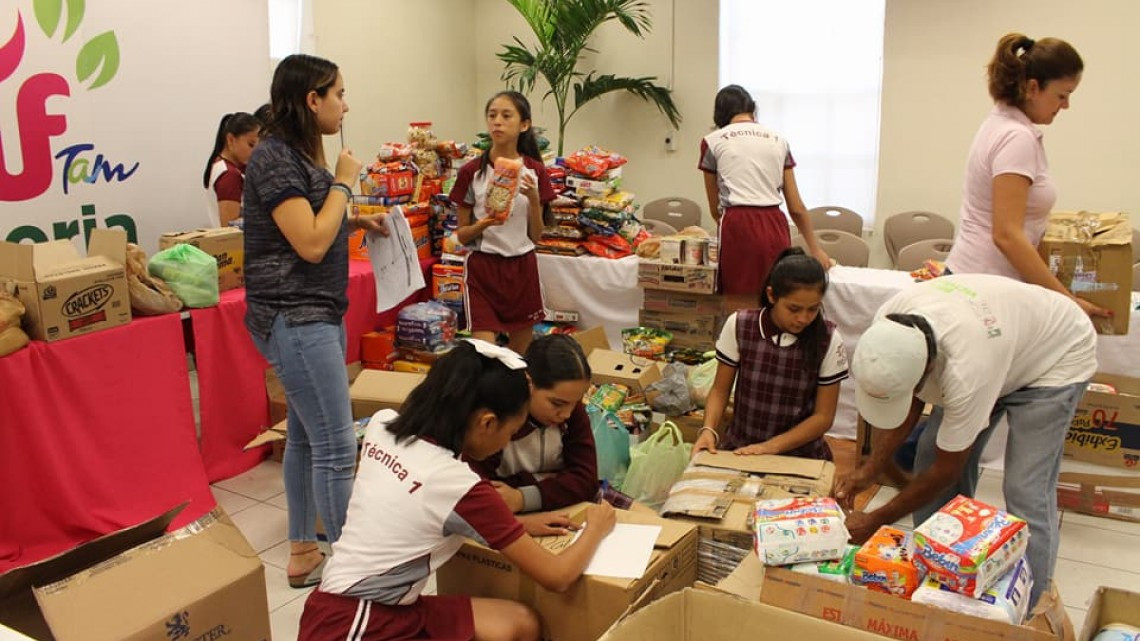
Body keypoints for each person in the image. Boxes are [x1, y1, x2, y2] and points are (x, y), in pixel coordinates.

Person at [299, 340, 617, 641]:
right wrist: (595, 528)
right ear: (487, 423)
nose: (506, 443)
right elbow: (557, 576)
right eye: (510, 433)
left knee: (521, 623)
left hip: (364, 606)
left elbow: (417, 509)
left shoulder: (383, 425)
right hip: (356, 625)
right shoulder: (458, 485)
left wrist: (518, 524)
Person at [834, 274, 1096, 608]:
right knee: (928, 454)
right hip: (1000, 343)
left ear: (929, 368)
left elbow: (947, 470)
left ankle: (1033, 610)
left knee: (1025, 489)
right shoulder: (889, 325)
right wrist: (869, 470)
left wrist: (877, 519)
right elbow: (909, 399)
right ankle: (937, 574)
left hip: (1054, 358)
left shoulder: (965, 371)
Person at [242, 54, 386, 588]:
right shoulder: (275, 157)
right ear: (312, 99)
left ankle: (305, 550)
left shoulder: (293, 154)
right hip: (296, 317)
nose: (345, 105)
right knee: (336, 447)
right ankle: (354, 572)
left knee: (306, 439)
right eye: (339, 94)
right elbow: (308, 242)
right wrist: (345, 183)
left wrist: (356, 220)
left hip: (313, 312)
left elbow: (307, 223)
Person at [945, 33, 1109, 321]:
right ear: (1033, 88)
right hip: (984, 288)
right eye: (1062, 95)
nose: (1065, 106)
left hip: (978, 280)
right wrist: (1066, 300)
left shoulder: (1001, 122)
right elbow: (1007, 235)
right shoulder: (1016, 137)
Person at [693, 248, 848, 460]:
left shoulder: (828, 339)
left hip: (801, 456)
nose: (803, 318)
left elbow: (823, 417)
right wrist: (708, 430)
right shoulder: (740, 325)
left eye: (813, 309)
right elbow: (720, 390)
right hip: (742, 449)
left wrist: (771, 447)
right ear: (771, 295)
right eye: (794, 309)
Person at [698, 84, 830, 311]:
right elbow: (796, 207)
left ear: (719, 114)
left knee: (740, 306)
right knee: (779, 298)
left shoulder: (712, 141)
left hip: (737, 223)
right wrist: (815, 250)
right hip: (775, 222)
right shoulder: (779, 140)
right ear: (752, 109)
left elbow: (714, 207)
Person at [449, 91, 554, 354]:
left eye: (507, 116)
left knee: (519, 355)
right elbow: (461, 235)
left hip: (522, 268)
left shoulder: (535, 171)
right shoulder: (471, 172)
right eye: (492, 115)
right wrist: (485, 223)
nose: (497, 122)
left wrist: (533, 199)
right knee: (486, 353)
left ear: (524, 125)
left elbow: (536, 236)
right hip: (483, 268)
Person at [469, 334, 598, 531]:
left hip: (555, 506)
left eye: (576, 402)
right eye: (557, 403)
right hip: (504, 515)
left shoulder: (572, 411)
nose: (566, 414)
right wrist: (556, 481)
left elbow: (586, 481)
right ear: (528, 383)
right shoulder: (498, 417)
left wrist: (521, 496)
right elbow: (481, 492)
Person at [203, 112, 260, 227]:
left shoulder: (221, 164)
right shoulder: (229, 175)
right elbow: (229, 225)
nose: (255, 151)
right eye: (251, 145)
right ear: (230, 140)